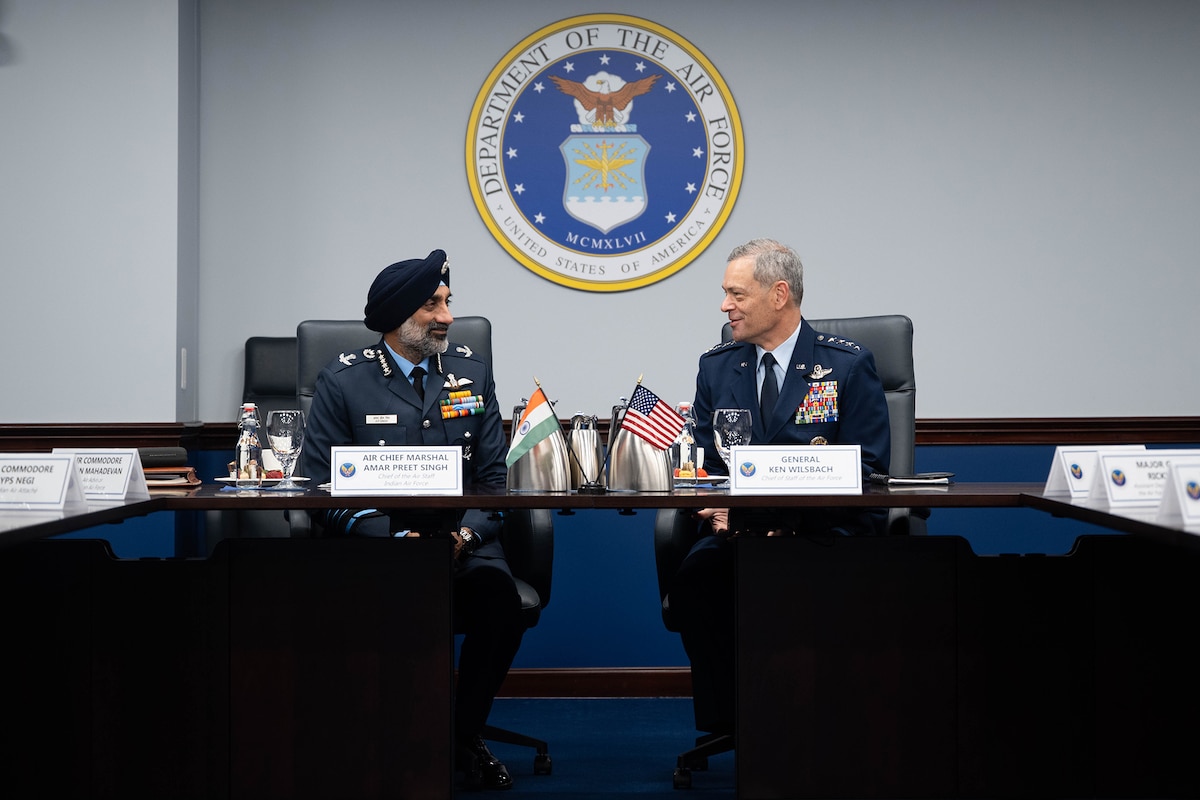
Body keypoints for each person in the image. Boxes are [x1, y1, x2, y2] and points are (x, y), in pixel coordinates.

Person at [299, 249, 523, 791]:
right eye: (432, 305)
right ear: (399, 318)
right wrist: (395, 538)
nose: (447, 316)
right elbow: (318, 487)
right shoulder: (343, 381)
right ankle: (376, 733)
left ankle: (460, 735)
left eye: (448, 303)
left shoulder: (472, 373)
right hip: (377, 548)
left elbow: (495, 481)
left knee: (501, 604)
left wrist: (464, 536)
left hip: (460, 547)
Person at [669, 237, 892, 738]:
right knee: (694, 581)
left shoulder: (846, 366)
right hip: (739, 539)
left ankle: (830, 721)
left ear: (779, 294)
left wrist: (783, 523)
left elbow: (868, 470)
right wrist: (716, 510)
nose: (725, 305)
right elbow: (705, 464)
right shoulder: (718, 365)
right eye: (725, 294)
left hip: (824, 536)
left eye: (737, 294)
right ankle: (737, 721)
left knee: (805, 593)